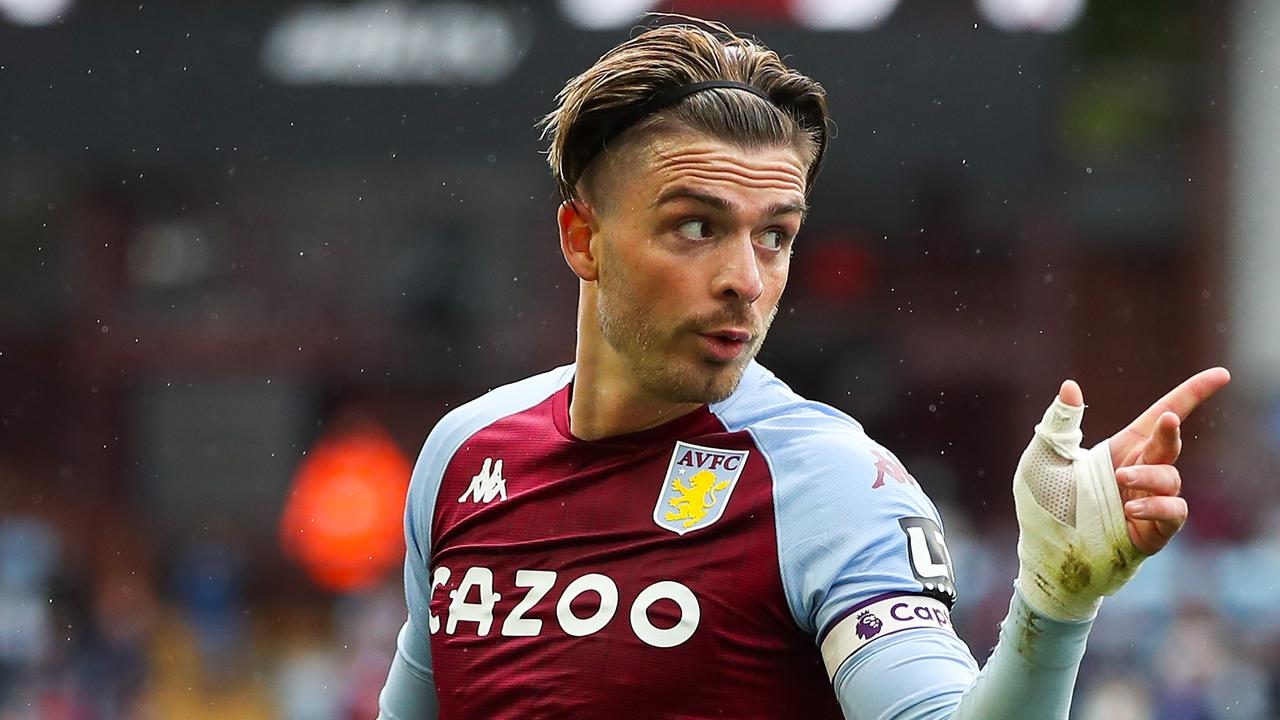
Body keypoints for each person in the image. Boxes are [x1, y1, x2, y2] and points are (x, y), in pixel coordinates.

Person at [377, 17, 1230, 719]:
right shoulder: (464, 455)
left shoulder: (831, 485)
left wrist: (1052, 602)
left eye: (775, 234)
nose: (746, 282)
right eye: (697, 227)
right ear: (583, 239)